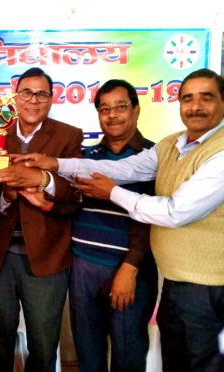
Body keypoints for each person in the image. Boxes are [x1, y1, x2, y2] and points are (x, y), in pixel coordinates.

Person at [13, 68, 224, 371]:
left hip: (209, 286)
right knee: (164, 360)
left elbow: (172, 212)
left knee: (163, 359)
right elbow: (126, 170)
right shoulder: (172, 146)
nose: (195, 106)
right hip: (168, 279)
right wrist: (53, 165)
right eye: (188, 99)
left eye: (206, 98)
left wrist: (112, 194)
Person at [0, 67, 83, 372]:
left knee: (43, 345)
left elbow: (75, 195)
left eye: (41, 94)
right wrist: (7, 198)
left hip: (46, 259)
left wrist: (42, 181)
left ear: (51, 98)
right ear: (15, 96)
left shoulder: (68, 136)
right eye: (26, 92)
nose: (33, 100)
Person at [68, 79, 157, 372]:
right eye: (105, 109)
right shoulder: (86, 157)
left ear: (136, 110)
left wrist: (130, 268)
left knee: (127, 357)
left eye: (120, 107)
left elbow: (153, 219)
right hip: (82, 269)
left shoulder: (155, 157)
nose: (112, 115)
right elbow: (70, 205)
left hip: (128, 272)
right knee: (88, 356)